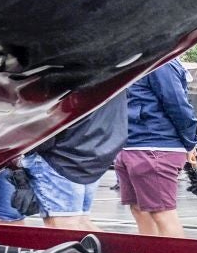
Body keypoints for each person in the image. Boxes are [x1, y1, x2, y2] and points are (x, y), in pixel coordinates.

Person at [117, 56, 197, 236]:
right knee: (139, 209)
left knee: (161, 212)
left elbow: (177, 104)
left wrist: (190, 141)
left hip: (155, 145)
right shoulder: (133, 59)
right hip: (131, 144)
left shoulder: (161, 61)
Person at [26, 90, 128, 232]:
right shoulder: (119, 73)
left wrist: (30, 148)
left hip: (62, 156)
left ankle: (117, 252)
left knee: (64, 227)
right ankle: (117, 251)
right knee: (80, 223)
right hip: (95, 151)